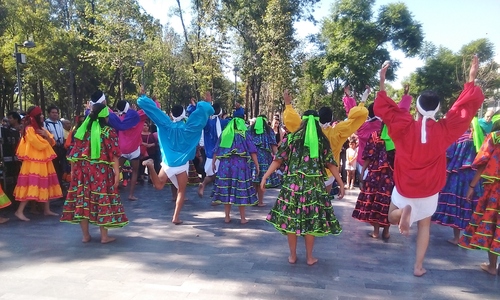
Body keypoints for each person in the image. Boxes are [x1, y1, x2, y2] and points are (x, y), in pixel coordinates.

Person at [375, 56, 484, 276]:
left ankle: (403, 213)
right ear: (436, 109)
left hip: (406, 185)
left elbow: (386, 110)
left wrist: (382, 83)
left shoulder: (404, 126)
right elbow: (463, 110)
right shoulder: (444, 129)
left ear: (416, 107)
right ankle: (418, 267)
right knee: (425, 225)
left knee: (390, 216)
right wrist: (470, 80)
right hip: (429, 189)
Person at [261, 109, 345, 265]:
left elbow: (278, 160)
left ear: (302, 121)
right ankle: (309, 257)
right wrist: (341, 183)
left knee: (291, 221)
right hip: (314, 187)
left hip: (292, 187)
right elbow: (331, 164)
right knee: (311, 222)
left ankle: (292, 256)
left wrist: (265, 177)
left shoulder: (291, 138)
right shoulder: (322, 140)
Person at [140, 91, 214, 225]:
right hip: (181, 164)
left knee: (158, 185)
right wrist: (207, 102)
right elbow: (201, 116)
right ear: (183, 113)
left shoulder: (165, 125)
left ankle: (151, 166)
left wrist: (144, 98)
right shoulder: (188, 128)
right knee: (181, 191)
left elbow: (154, 112)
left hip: (168, 162)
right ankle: (175, 217)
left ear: (172, 114)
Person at [60, 103, 128, 243]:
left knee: (83, 201)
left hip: (82, 171)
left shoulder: (81, 130)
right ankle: (104, 236)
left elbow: (74, 154)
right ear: (105, 116)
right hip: (101, 172)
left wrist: (73, 172)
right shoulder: (109, 131)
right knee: (102, 199)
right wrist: (117, 173)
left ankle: (85, 236)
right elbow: (114, 155)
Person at [284, 88, 368, 193]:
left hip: (310, 171)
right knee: (324, 201)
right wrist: (362, 101)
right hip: (329, 173)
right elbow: (354, 120)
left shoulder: (308, 130)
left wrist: (288, 104)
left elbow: (293, 121)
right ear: (331, 118)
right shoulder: (337, 132)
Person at [431, 123, 483, 244]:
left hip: (457, 176)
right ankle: (469, 237)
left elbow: (448, 155)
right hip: (473, 177)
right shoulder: (479, 137)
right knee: (470, 205)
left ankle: (456, 237)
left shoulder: (457, 137)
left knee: (456, 205)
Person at [458, 130, 500, 275]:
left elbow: (483, 163)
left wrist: (472, 186)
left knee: (493, 224)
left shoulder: (495, 137)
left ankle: (492, 266)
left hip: (495, 190)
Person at [13, 106, 62, 221]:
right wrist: (46, 139)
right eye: (40, 114)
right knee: (31, 185)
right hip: (33, 161)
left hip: (44, 160)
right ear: (35, 116)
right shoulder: (29, 129)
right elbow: (38, 144)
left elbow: (52, 142)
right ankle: (19, 211)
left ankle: (47, 209)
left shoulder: (40, 128)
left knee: (46, 183)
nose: (42, 116)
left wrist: (46, 136)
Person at [212, 115, 259, 223]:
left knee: (227, 189)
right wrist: (256, 165)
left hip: (225, 166)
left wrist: (213, 162)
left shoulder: (225, 133)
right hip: (240, 167)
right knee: (240, 190)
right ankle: (242, 218)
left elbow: (216, 149)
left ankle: (227, 217)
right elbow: (252, 151)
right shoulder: (244, 135)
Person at [116, 100, 150, 200]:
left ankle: (112, 192)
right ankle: (131, 195)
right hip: (134, 149)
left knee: (117, 170)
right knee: (135, 171)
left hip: (122, 149)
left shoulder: (119, 118)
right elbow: (151, 108)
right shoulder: (138, 116)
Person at [197, 102, 230, 198]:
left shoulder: (207, 122)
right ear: (220, 112)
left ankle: (213, 193)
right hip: (219, 153)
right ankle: (206, 187)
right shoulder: (224, 123)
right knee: (218, 175)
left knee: (215, 175)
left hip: (209, 153)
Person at [247, 115, 280, 206]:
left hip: (252, 158)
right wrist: (278, 158)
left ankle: (253, 199)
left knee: (254, 180)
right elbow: (274, 146)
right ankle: (260, 201)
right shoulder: (269, 131)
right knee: (262, 180)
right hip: (265, 159)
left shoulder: (250, 130)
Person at [44, 105, 66, 183]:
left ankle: (60, 182)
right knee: (54, 167)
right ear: (49, 113)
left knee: (62, 167)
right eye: (53, 112)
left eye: (56, 113)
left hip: (61, 147)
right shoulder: (45, 123)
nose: (55, 114)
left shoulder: (59, 123)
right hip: (52, 148)